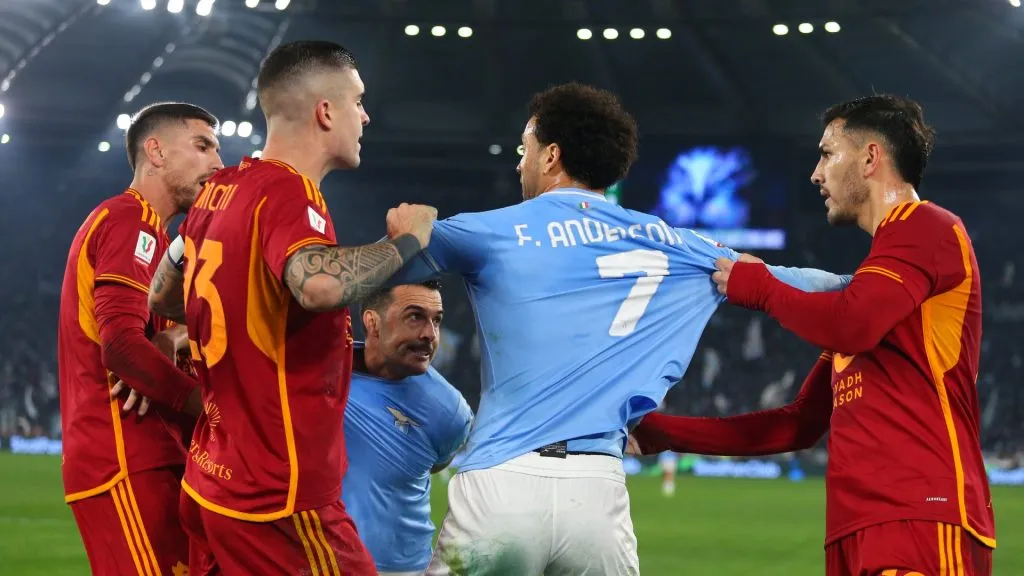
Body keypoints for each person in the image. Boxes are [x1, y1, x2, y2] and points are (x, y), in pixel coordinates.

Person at [388, 82, 852, 575]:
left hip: (502, 483)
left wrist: (403, 229)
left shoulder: (495, 229)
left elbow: (373, 275)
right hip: (597, 492)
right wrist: (887, 278)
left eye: (525, 150)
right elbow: (800, 282)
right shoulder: (676, 243)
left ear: (550, 156)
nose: (519, 162)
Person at [638, 94, 995, 575]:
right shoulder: (869, 292)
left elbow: (851, 323)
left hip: (921, 516)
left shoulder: (927, 227)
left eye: (828, 154)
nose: (815, 173)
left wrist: (758, 285)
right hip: (855, 530)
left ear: (870, 158)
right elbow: (797, 424)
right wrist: (659, 431)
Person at [146, 40, 435, 576]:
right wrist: (407, 243)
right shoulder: (288, 193)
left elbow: (162, 297)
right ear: (326, 111)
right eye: (358, 100)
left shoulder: (221, 190)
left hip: (212, 479)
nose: (365, 115)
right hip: (277, 498)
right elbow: (319, 287)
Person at [57, 101, 222, 576]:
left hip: (152, 453)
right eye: (202, 145)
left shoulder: (159, 239)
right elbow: (122, 347)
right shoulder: (132, 219)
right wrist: (212, 409)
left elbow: (143, 339)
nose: (217, 163)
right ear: (156, 151)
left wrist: (174, 339)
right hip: (122, 454)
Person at [342, 280, 473, 576]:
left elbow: (436, 465)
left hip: (404, 569)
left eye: (436, 320)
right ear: (372, 322)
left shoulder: (448, 411)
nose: (430, 334)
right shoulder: (321, 373)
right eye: (415, 317)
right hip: (320, 561)